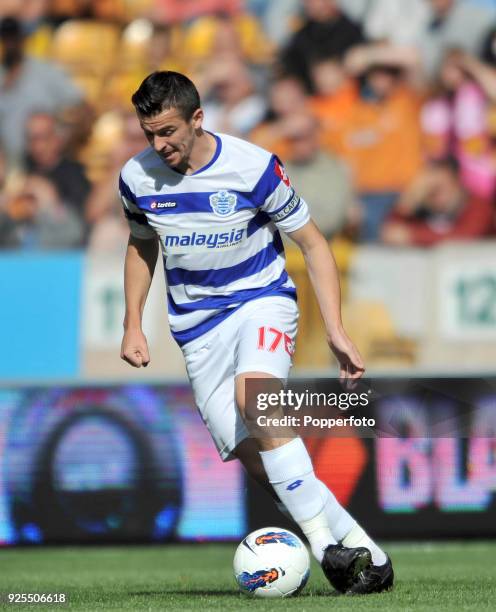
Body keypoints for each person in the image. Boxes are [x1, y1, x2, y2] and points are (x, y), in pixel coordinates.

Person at [118, 71, 393, 595]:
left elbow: (312, 244)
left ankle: (322, 547)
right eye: (149, 133)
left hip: (260, 302)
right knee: (262, 463)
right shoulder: (136, 177)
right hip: (197, 331)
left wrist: (335, 328)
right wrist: (133, 321)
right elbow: (140, 243)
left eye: (169, 131)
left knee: (259, 402)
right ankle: (369, 558)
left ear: (198, 119)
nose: (160, 144)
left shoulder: (254, 167)